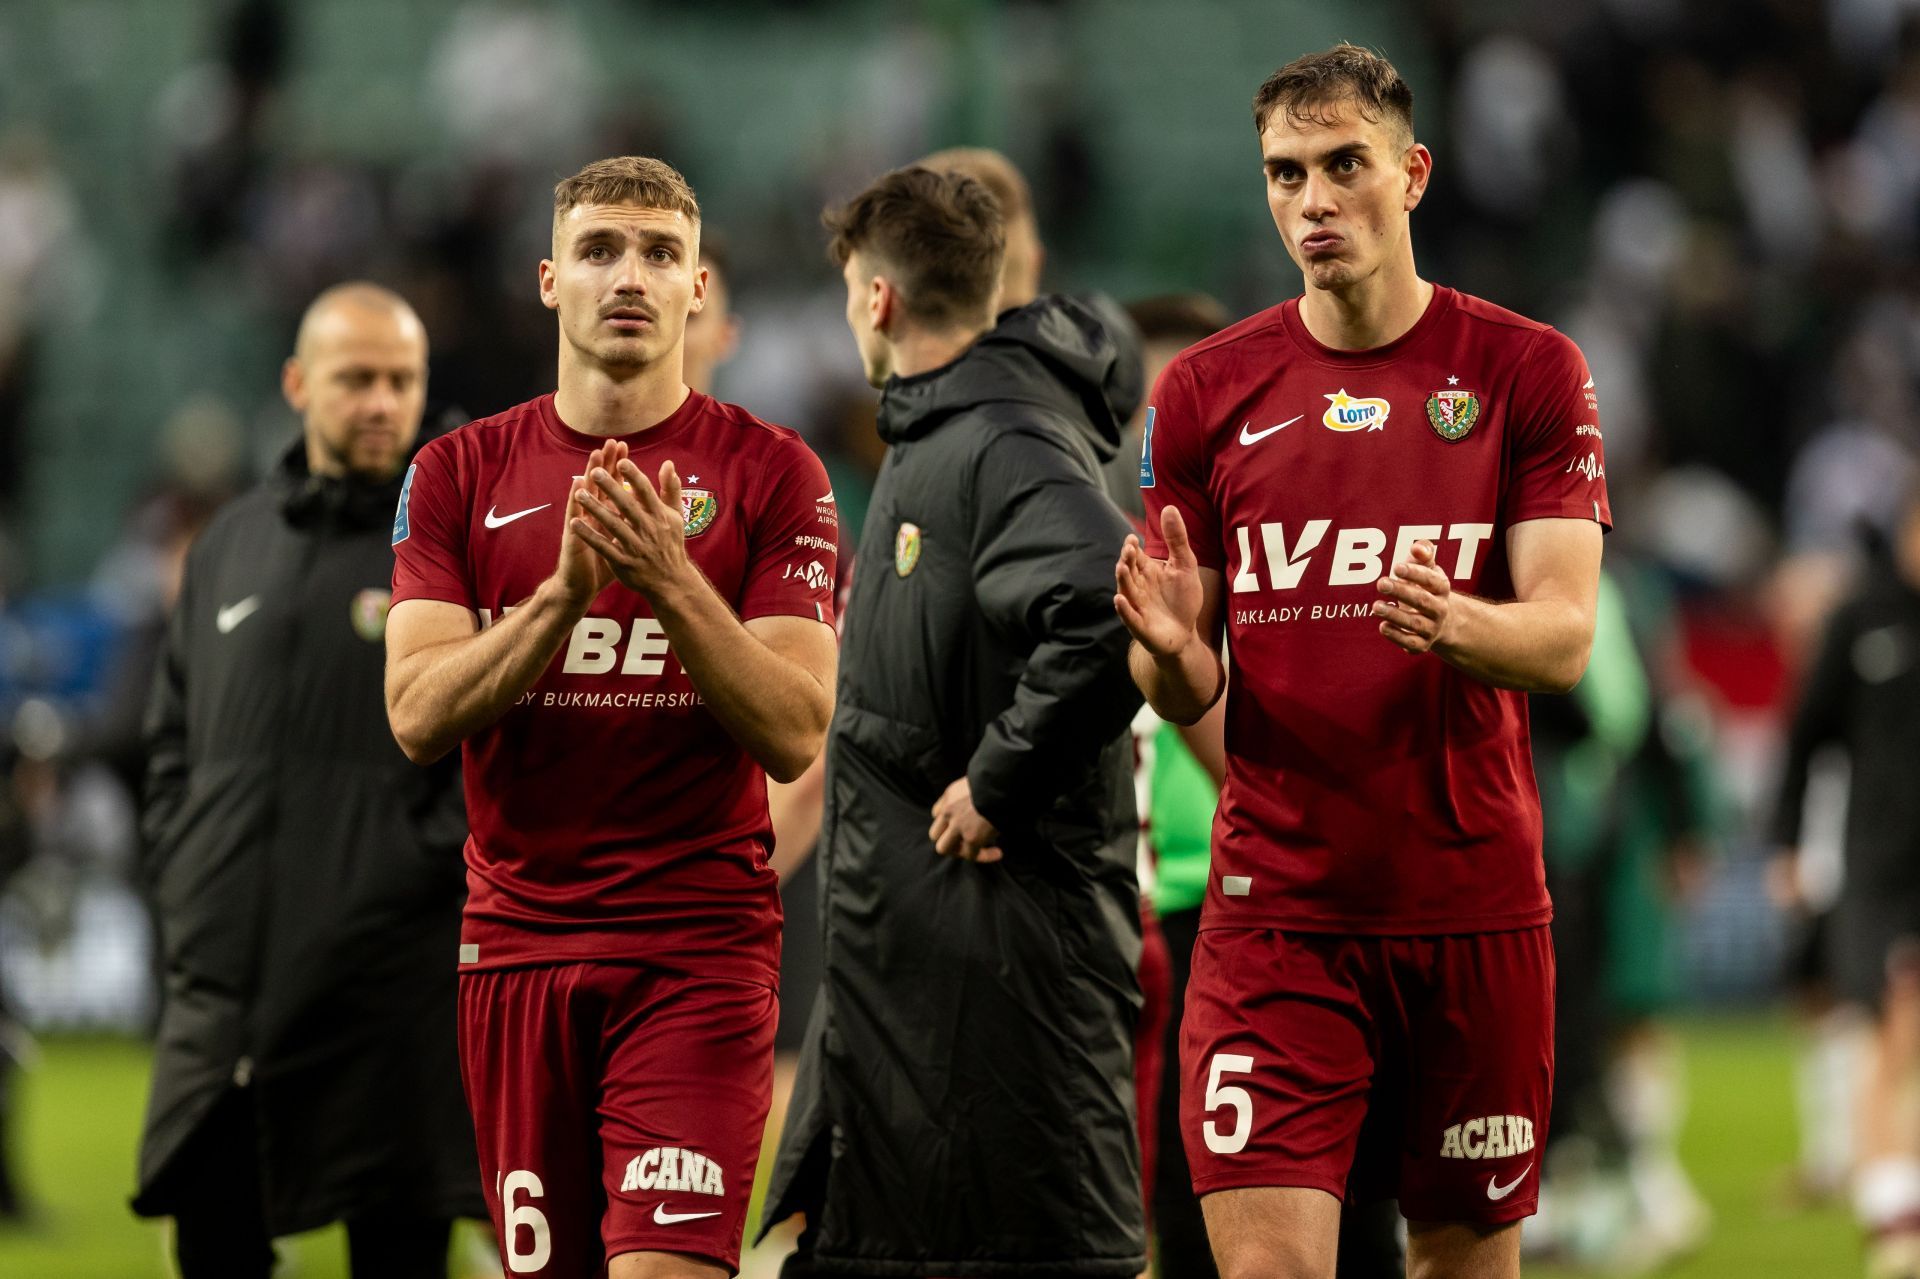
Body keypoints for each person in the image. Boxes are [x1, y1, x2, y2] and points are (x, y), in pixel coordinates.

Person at [1114, 44, 1608, 1279]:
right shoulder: (1206, 393)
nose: (1313, 201)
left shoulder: (1525, 371)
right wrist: (1173, 658)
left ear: (1415, 173)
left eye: (1344, 167)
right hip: (1275, 919)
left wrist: (1459, 623)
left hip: (1472, 906)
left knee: (1457, 1263)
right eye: (1286, 175)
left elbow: (1564, 634)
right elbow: (1186, 686)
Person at [383, 156, 838, 1279]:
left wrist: (669, 581)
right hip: (518, 951)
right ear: (549, 280)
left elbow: (795, 727)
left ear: (697, 288)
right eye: (597, 249)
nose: (626, 275)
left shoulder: (776, 474)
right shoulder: (456, 473)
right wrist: (563, 599)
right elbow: (415, 712)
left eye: (658, 253)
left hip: (698, 954)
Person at [762, 165, 1146, 1278]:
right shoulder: (941, 436)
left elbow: (1101, 606)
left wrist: (999, 780)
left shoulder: (1001, 440)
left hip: (1003, 1007)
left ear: (876, 300)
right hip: (921, 1003)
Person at [133, 283, 482, 1278]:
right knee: (215, 1247)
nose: (381, 402)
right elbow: (171, 744)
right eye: (356, 379)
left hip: (390, 999)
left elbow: (491, 754)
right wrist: (190, 871)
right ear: (297, 383)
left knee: (400, 1256)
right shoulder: (231, 543)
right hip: (230, 997)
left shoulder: (456, 540)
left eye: (401, 381)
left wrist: (398, 877)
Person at [1771, 482, 1920, 1278]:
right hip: (1874, 865)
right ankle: (1891, 1207)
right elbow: (1805, 739)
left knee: (1906, 1030)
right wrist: (1788, 843)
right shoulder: (1862, 619)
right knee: (1873, 1019)